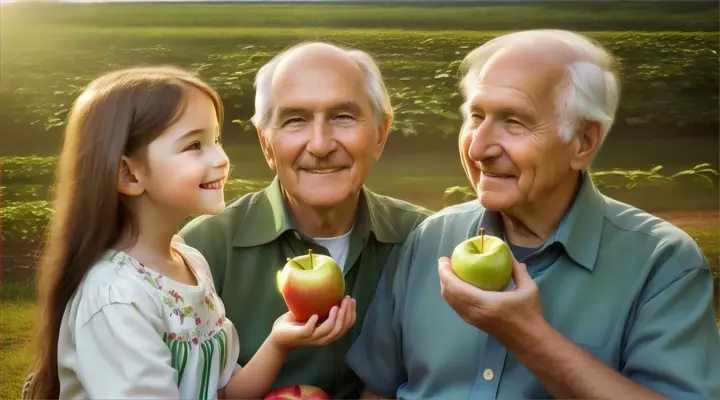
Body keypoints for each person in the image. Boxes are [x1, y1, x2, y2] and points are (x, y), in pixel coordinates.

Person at [347, 29, 720, 400]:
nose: (478, 148)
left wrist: (529, 336)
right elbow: (377, 391)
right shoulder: (431, 238)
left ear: (583, 142)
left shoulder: (664, 264)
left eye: (514, 121)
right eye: (476, 117)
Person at [24, 65, 356, 400]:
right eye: (194, 145)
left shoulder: (191, 263)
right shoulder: (117, 298)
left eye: (216, 139)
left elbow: (223, 392)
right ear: (129, 175)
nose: (222, 158)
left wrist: (279, 341)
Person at [178, 42, 433, 399]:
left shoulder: (427, 242)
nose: (320, 144)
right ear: (266, 144)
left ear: (381, 133)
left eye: (342, 117)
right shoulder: (199, 252)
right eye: (295, 120)